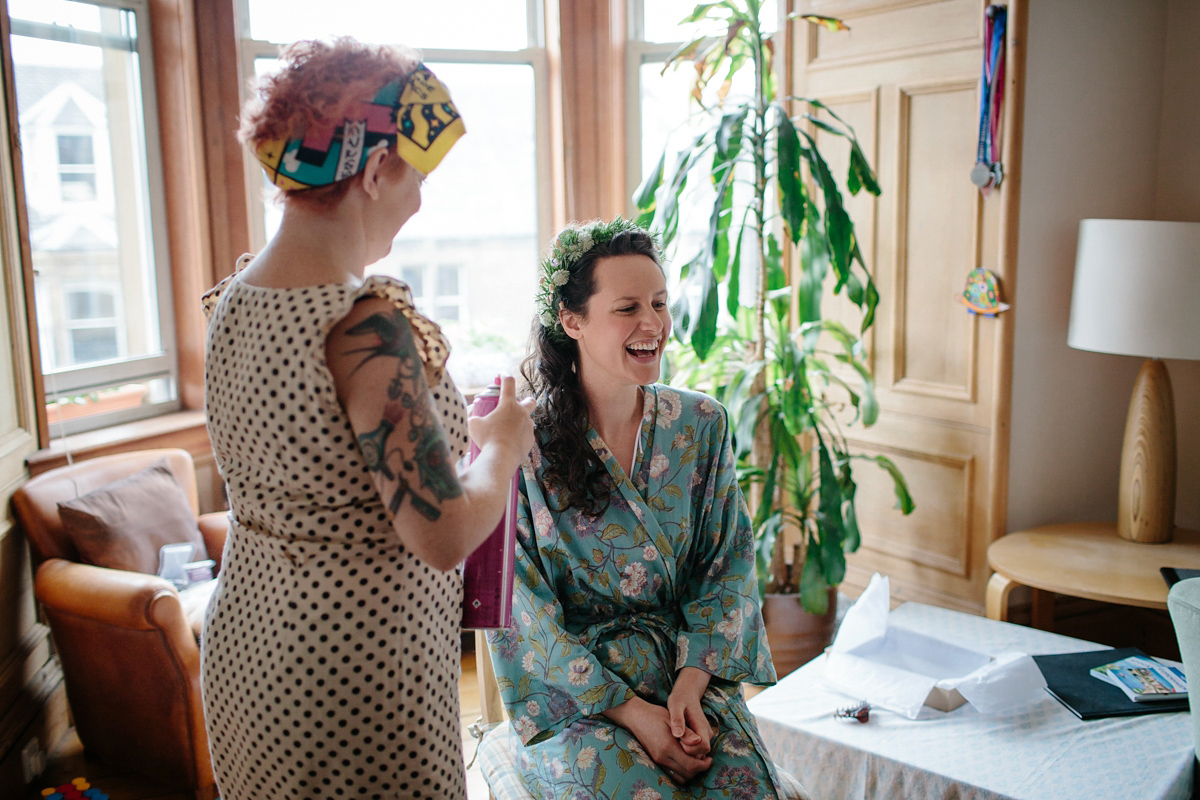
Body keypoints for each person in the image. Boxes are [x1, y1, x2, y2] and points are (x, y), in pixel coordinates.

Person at [200, 38, 533, 800]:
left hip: (249, 645)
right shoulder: (362, 328)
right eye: (416, 177)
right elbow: (443, 534)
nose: (417, 201)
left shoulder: (237, 301)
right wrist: (502, 449)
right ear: (377, 170)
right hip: (350, 670)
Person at [487, 219, 801, 799]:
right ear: (572, 320)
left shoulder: (700, 425)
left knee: (747, 791)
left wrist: (688, 688)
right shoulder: (520, 440)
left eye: (659, 303)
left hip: (685, 672)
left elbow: (726, 567)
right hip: (581, 699)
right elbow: (522, 611)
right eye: (627, 307)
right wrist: (633, 714)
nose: (653, 324)